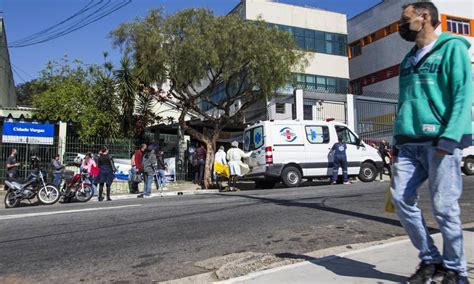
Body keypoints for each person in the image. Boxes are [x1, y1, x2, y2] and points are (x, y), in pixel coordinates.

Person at [392, 2, 472, 283]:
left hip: (440, 140)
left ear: (424, 17)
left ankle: (456, 270)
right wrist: (395, 141)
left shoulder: (453, 49)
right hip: (407, 143)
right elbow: (403, 102)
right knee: (400, 198)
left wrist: (451, 136)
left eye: (405, 19)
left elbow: (463, 94)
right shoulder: (407, 60)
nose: (400, 25)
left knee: (444, 208)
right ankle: (430, 259)